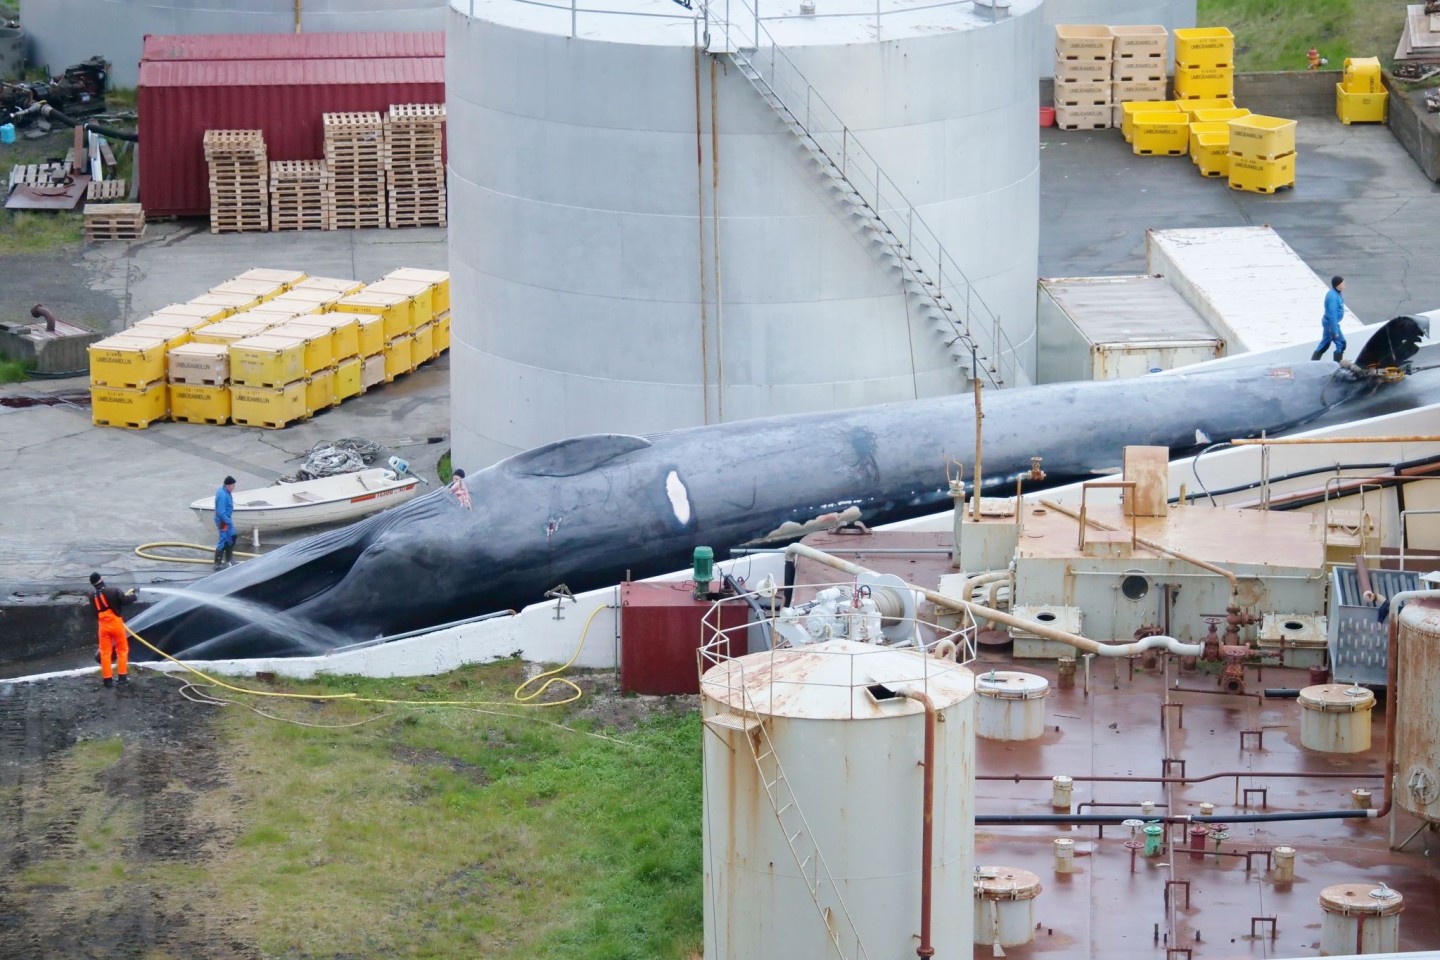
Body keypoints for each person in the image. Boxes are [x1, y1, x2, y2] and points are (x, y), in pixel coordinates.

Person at [90, 572, 137, 689]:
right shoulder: (113, 591)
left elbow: (95, 612)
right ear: (101, 579)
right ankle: (122, 677)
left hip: (103, 626)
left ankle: (107, 680)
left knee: (105, 653)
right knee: (122, 650)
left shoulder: (92, 596)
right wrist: (134, 596)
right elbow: (125, 600)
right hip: (115, 624)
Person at [1311, 276, 1347, 363]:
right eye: (1343, 283)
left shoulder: (1335, 293)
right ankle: (1337, 366)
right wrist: (1335, 331)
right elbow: (1332, 314)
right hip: (1331, 324)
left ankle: (1313, 363)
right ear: (1338, 285)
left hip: (1329, 323)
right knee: (1341, 344)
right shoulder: (1333, 297)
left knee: (1325, 343)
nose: (1345, 284)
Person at [214, 475, 237, 569]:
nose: (234, 488)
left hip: (226, 519)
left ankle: (228, 559)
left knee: (232, 536)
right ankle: (217, 564)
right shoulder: (223, 495)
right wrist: (229, 522)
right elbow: (221, 512)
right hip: (223, 521)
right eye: (233, 486)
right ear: (228, 485)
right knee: (223, 540)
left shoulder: (225, 491)